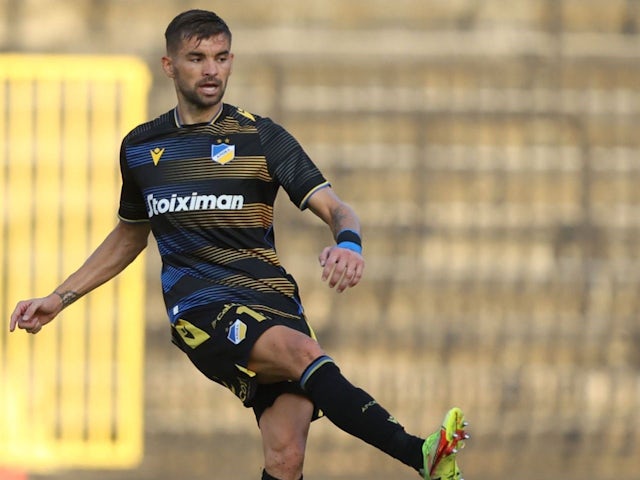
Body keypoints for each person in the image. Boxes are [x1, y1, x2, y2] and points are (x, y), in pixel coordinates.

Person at [9, 9, 468, 480]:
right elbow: (131, 231)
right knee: (304, 355)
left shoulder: (261, 136)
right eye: (198, 58)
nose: (212, 70)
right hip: (201, 307)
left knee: (286, 456)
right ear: (169, 65)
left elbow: (337, 209)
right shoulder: (141, 148)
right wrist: (60, 298)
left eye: (222, 57)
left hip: (275, 301)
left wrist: (349, 245)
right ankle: (421, 454)